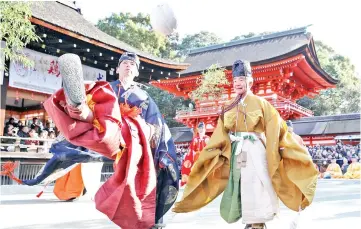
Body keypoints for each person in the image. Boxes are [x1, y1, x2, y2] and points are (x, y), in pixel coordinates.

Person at [2, 52, 178, 229]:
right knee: (94, 109)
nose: (128, 65)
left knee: (147, 174)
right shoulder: (107, 88)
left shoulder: (144, 97)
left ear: (137, 72)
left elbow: (158, 126)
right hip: (104, 128)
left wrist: (161, 150)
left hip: (133, 137)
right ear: (117, 69)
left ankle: (153, 218)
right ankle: (76, 105)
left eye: (133, 63)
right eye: (124, 62)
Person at [172, 60, 318, 229]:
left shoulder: (262, 104)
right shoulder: (228, 106)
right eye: (235, 81)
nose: (237, 83)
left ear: (250, 81)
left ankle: (258, 221)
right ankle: (248, 219)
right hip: (237, 151)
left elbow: (277, 127)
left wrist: (286, 148)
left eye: (241, 79)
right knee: (240, 183)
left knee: (259, 182)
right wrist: (212, 152)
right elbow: (220, 133)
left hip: (256, 148)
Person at [180, 122, 210, 186]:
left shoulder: (208, 138)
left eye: (202, 128)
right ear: (198, 130)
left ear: (205, 129)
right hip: (196, 158)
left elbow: (210, 149)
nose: (201, 130)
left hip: (205, 159)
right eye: (200, 129)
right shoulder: (195, 139)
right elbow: (191, 150)